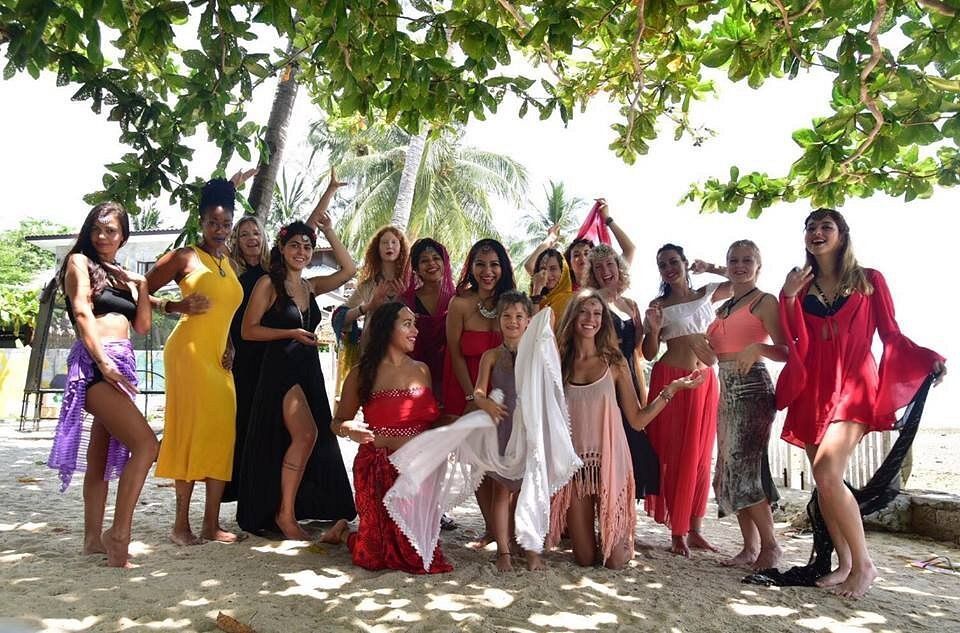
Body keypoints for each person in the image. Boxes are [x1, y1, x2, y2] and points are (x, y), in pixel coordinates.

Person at [777, 209, 946, 598]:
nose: (816, 233)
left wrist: (926, 358)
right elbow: (795, 340)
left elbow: (891, 333)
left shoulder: (869, 280)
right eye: (810, 228)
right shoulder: (800, 286)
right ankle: (845, 565)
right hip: (812, 388)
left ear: (842, 235)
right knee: (824, 482)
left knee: (827, 473)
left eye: (825, 227)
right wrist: (787, 296)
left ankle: (865, 564)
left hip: (853, 383)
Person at [548, 290, 706, 569]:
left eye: (597, 313)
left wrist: (672, 389)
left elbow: (637, 420)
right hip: (575, 468)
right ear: (573, 316)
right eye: (584, 312)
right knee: (584, 559)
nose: (590, 319)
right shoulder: (559, 362)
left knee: (616, 561)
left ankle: (616, 533)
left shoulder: (615, 361)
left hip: (611, 461)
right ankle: (593, 532)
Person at [223, 170, 346, 504]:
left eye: (255, 232)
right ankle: (255, 498)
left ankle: (287, 501)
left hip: (282, 356)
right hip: (247, 355)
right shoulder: (233, 272)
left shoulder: (274, 270)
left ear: (266, 239)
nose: (250, 237)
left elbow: (305, 231)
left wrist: (330, 192)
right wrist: (228, 192)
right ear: (236, 239)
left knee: (287, 431)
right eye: (244, 233)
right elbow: (229, 317)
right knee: (251, 429)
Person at [47, 203, 158, 567]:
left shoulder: (118, 274)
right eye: (97, 228)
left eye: (111, 230)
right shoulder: (79, 262)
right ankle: (119, 532)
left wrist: (141, 286)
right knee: (146, 445)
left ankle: (92, 539)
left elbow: (142, 325)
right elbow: (81, 312)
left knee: (99, 459)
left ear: (123, 235)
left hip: (121, 361)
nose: (102, 236)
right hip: (97, 364)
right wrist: (104, 363)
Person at [237, 218, 357, 539]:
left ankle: (291, 510)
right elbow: (248, 331)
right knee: (306, 435)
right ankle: (285, 515)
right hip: (280, 368)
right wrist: (290, 331)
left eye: (307, 247)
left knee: (309, 437)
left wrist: (329, 230)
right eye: (295, 245)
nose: (302, 252)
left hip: (307, 368)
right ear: (281, 248)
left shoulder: (310, 286)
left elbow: (349, 270)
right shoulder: (268, 284)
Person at [146, 178, 245, 545]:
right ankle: (180, 525)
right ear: (201, 222)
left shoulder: (228, 262)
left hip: (219, 359)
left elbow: (224, 311)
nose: (219, 230)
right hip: (187, 353)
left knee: (221, 432)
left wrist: (231, 343)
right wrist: (175, 306)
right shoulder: (185, 256)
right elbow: (142, 288)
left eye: (226, 224)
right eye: (213, 223)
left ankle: (211, 524)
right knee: (188, 431)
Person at [321, 302, 453, 574]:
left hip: (417, 472)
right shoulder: (361, 373)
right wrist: (350, 429)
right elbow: (336, 422)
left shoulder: (422, 370)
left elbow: (431, 421)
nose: (415, 330)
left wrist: (464, 421)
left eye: (414, 323)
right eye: (407, 324)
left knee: (418, 559)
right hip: (377, 470)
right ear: (385, 329)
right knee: (372, 558)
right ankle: (344, 533)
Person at [641, 243, 730, 556]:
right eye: (662, 263)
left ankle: (695, 530)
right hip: (672, 379)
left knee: (703, 455)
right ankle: (677, 533)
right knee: (678, 454)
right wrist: (652, 329)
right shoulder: (657, 305)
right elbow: (649, 352)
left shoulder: (706, 293)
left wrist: (712, 267)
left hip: (705, 382)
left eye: (674, 261)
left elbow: (742, 280)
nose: (669, 267)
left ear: (685, 262)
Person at [704, 240, 787, 570]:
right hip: (726, 387)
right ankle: (750, 547)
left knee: (744, 465)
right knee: (728, 468)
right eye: (734, 260)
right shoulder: (722, 308)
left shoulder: (765, 302)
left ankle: (771, 547)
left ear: (759, 265)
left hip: (753, 387)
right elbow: (713, 355)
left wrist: (759, 349)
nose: (740, 265)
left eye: (747, 260)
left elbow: (787, 350)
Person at [442, 238, 516, 544]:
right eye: (480, 264)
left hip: (506, 393)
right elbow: (454, 352)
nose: (487, 271)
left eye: (494, 264)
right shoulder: (459, 304)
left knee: (505, 460)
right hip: (467, 389)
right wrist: (473, 397)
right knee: (479, 462)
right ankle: (492, 529)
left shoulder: (512, 304)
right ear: (470, 267)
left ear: (504, 268)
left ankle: (507, 530)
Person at [472, 291, 544, 571]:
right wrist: (485, 402)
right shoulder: (490, 356)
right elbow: (478, 390)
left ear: (528, 321)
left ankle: (531, 550)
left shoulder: (537, 353)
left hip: (529, 432)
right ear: (498, 321)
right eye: (507, 316)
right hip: (502, 430)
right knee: (501, 492)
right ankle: (503, 551)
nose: (512, 321)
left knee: (529, 493)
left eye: (519, 316)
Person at [588, 243, 659, 502]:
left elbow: (639, 352)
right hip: (604, 381)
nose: (605, 271)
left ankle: (620, 521)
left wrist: (653, 329)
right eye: (598, 267)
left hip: (629, 377)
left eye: (610, 264)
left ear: (619, 267)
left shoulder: (630, 304)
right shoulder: (591, 300)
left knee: (632, 448)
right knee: (605, 450)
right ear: (593, 273)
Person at [332, 225, 409, 394]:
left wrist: (406, 297)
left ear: (401, 247)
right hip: (371, 352)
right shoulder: (367, 286)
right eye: (384, 242)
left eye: (394, 242)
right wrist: (369, 306)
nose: (389, 246)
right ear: (377, 248)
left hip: (405, 355)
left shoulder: (410, 282)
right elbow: (340, 317)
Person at [401, 238, 456, 399]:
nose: (431, 263)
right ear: (416, 269)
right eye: (424, 260)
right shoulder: (405, 301)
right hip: (415, 377)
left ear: (444, 263)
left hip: (452, 374)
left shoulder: (458, 299)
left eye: (436, 258)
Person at [527, 248, 573, 326]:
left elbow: (538, 329)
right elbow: (529, 329)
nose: (547, 274)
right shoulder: (534, 299)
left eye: (553, 269)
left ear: (562, 271)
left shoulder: (569, 301)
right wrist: (536, 290)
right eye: (543, 269)